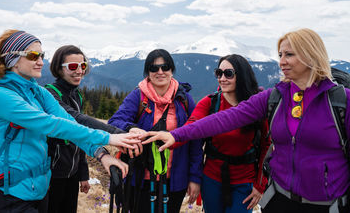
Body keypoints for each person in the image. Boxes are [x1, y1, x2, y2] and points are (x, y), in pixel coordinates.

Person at [142, 28, 350, 213]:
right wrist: (175, 134)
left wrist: (258, 184)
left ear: (310, 55)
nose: (281, 61)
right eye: (280, 55)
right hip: (280, 200)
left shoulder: (342, 102)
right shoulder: (274, 97)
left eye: (289, 54)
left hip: (327, 204)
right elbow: (225, 119)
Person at [0, 30, 140, 213]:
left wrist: (102, 155)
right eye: (33, 55)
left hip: (40, 192)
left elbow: (70, 124)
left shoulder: (37, 92)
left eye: (41, 55)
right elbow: (52, 125)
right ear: (12, 59)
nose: (41, 61)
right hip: (11, 196)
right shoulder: (0, 96)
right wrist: (109, 137)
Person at [108, 49, 203, 213]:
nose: (160, 72)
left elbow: (194, 137)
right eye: (154, 68)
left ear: (171, 70)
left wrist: (194, 177)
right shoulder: (138, 96)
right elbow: (115, 121)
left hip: (175, 180)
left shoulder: (184, 99)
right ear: (148, 72)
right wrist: (131, 128)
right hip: (140, 179)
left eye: (165, 67)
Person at [45, 45, 128, 213]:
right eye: (73, 67)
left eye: (82, 66)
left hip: (72, 173)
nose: (79, 71)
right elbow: (76, 120)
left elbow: (81, 137)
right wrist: (115, 134)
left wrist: (83, 174)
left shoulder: (77, 95)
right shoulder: (50, 94)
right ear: (59, 69)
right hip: (52, 173)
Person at [183, 54, 270, 212]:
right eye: (218, 73)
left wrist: (260, 185)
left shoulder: (257, 106)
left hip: (245, 182)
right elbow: (192, 130)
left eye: (228, 74)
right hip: (212, 179)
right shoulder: (210, 103)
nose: (222, 78)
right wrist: (167, 137)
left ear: (242, 76)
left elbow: (267, 145)